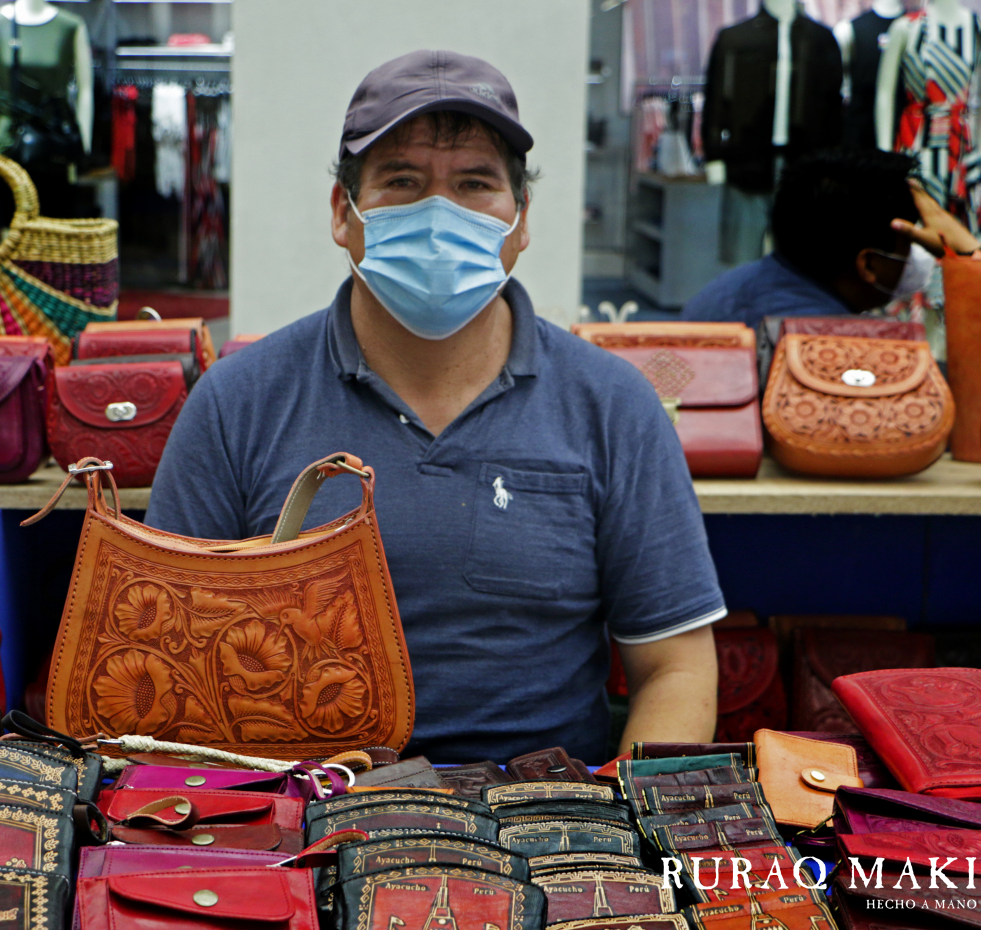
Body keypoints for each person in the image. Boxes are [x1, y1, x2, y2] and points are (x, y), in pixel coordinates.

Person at [144, 50, 725, 764]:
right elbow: (165, 666)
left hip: (544, 827)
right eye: (402, 182)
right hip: (303, 825)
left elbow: (676, 667)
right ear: (342, 213)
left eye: (474, 183)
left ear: (519, 221)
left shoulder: (611, 406)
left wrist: (613, 825)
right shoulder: (237, 402)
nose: (437, 212)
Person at [682, 149, 952, 328]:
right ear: (869, 264)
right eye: (909, 245)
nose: (915, 257)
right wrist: (964, 252)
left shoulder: (723, 290)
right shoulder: (835, 344)